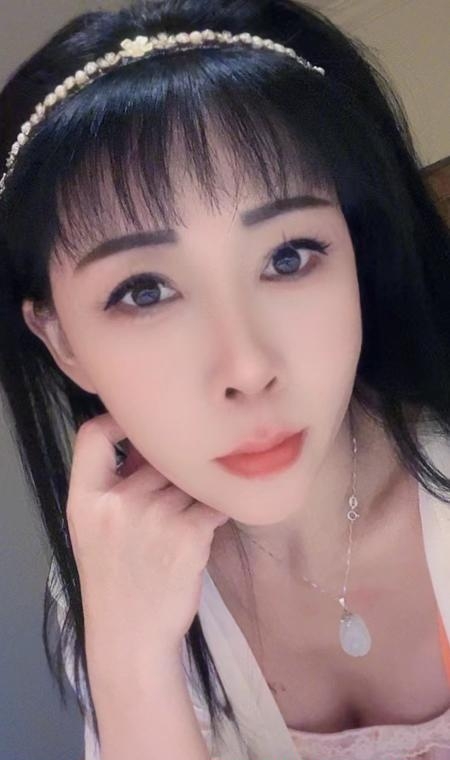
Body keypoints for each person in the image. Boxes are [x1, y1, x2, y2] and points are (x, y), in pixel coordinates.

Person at [0, 1, 449, 758]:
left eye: (288, 257)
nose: (247, 368)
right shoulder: (120, 580)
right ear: (62, 341)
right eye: (145, 291)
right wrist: (131, 659)